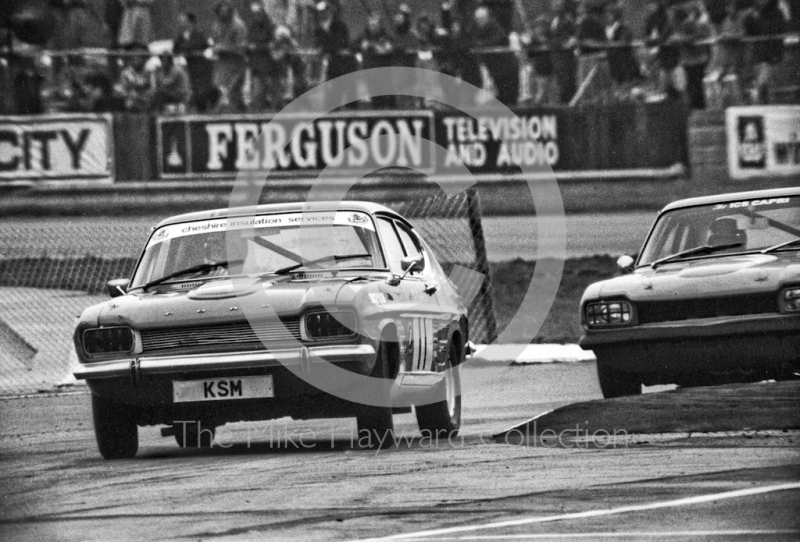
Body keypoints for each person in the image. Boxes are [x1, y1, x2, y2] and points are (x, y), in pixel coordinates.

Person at [470, 5, 518, 106]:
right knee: (499, 98)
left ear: (487, 17)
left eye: (482, 18)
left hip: (507, 70)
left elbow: (495, 40)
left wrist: (479, 44)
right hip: (495, 71)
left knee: (509, 99)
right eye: (477, 19)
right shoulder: (477, 30)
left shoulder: (495, 27)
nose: (480, 21)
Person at [744, 0, 787, 103]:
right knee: (764, 86)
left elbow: (774, 30)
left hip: (772, 56)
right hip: (759, 56)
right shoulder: (754, 13)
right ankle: (763, 106)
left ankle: (762, 105)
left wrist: (757, 17)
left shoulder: (777, 13)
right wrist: (750, 18)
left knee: (764, 84)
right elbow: (749, 31)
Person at [314, 2, 356, 105]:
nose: (322, 14)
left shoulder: (340, 26)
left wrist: (328, 49)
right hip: (333, 66)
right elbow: (319, 46)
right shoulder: (318, 29)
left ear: (329, 11)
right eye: (320, 12)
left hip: (345, 65)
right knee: (332, 96)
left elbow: (342, 44)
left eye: (324, 11)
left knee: (350, 95)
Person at [174, 12, 217, 112]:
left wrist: (186, 47)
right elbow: (176, 48)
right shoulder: (181, 37)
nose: (181, 23)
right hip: (190, 67)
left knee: (202, 91)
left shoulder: (199, 34)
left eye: (184, 20)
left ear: (190, 22)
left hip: (201, 67)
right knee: (194, 91)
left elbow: (202, 44)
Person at [212, 0, 249, 112]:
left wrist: (224, 48)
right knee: (219, 91)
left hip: (236, 65)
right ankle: (224, 115)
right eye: (220, 11)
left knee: (233, 92)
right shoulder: (216, 25)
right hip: (222, 64)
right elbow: (215, 41)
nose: (222, 14)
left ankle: (241, 115)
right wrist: (216, 48)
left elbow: (242, 47)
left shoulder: (239, 25)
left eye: (225, 11)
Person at [673, 6, 712, 109]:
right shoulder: (681, 25)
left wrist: (681, 40)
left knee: (697, 87)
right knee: (692, 87)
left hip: (696, 61)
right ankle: (696, 108)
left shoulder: (690, 23)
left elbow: (699, 35)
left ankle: (700, 108)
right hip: (688, 61)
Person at [356, 11, 395, 108]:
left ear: (380, 25)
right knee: (374, 101)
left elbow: (392, 48)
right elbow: (352, 45)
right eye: (371, 23)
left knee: (388, 100)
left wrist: (383, 48)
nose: (373, 26)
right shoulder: (363, 36)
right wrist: (362, 46)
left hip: (385, 73)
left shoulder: (386, 36)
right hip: (370, 73)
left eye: (375, 24)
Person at [605, 5, 642, 94]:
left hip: (623, 61)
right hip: (612, 60)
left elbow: (625, 41)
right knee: (616, 84)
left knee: (625, 84)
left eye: (609, 14)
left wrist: (614, 44)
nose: (607, 17)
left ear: (615, 15)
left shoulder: (622, 28)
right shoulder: (606, 28)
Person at [550, 0, 579, 104]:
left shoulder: (567, 21)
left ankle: (568, 104)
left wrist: (561, 43)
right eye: (554, 5)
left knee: (568, 82)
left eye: (558, 5)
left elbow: (572, 37)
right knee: (560, 82)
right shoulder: (553, 20)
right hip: (557, 57)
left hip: (565, 58)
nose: (556, 7)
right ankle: (563, 103)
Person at [116, 44, 152, 111]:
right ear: (132, 57)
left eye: (143, 57)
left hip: (145, 105)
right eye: (138, 57)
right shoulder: (126, 73)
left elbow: (152, 90)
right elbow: (121, 90)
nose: (141, 60)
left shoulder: (149, 73)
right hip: (130, 105)